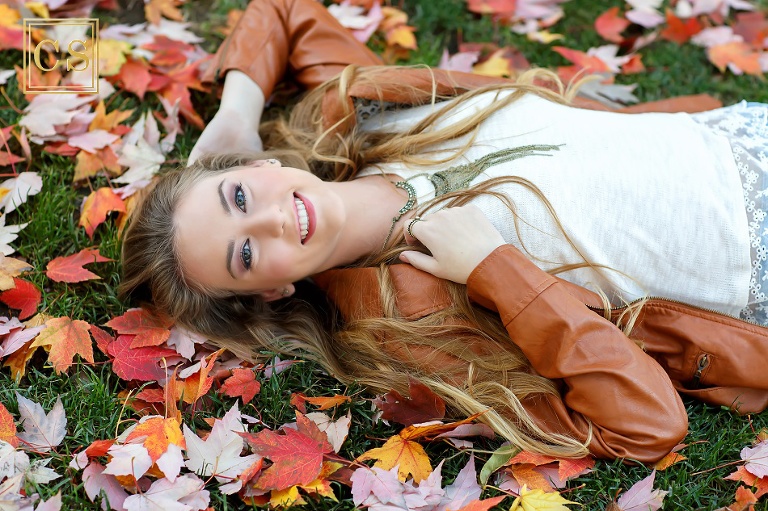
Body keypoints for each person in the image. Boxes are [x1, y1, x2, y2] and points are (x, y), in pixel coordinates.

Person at [120, 0, 768, 463]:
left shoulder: (363, 120)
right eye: (245, 250)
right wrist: (496, 267)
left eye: (238, 195)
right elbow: (647, 424)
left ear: (258, 164)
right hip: (749, 253)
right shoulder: (413, 320)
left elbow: (283, 12)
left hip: (734, 132)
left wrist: (238, 110)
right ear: (272, 290)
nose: (268, 216)